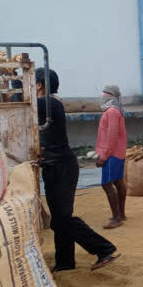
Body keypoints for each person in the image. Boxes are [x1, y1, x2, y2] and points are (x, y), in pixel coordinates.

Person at [36, 68, 120, 272]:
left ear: (38, 85)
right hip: (57, 166)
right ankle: (65, 263)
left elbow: (20, 106)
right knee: (60, 218)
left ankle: (104, 249)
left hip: (61, 168)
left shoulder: (46, 103)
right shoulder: (51, 103)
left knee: (62, 218)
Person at [96, 85, 127, 230]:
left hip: (112, 154)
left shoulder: (113, 112)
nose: (103, 96)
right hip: (116, 152)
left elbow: (112, 136)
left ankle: (116, 218)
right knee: (118, 182)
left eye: (105, 94)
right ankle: (121, 214)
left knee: (107, 184)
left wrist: (104, 155)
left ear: (112, 96)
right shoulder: (114, 110)